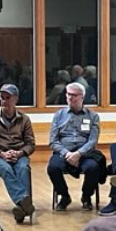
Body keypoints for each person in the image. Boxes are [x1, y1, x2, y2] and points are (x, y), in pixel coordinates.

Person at [0, 84, 36, 224]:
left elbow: (31, 144)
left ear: (16, 99)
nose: (4, 101)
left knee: (23, 168)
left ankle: (21, 209)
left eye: (8, 98)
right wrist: (1, 154)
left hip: (19, 155)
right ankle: (23, 201)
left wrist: (20, 153)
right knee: (5, 169)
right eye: (2, 98)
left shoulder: (24, 119)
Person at [47, 82, 105, 212]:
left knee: (93, 168)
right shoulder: (59, 115)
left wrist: (78, 153)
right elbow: (53, 141)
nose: (70, 98)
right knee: (53, 168)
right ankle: (64, 196)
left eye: (74, 95)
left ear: (82, 97)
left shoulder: (93, 116)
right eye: (68, 94)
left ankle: (86, 196)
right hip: (63, 152)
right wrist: (67, 153)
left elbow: (92, 141)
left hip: (84, 153)